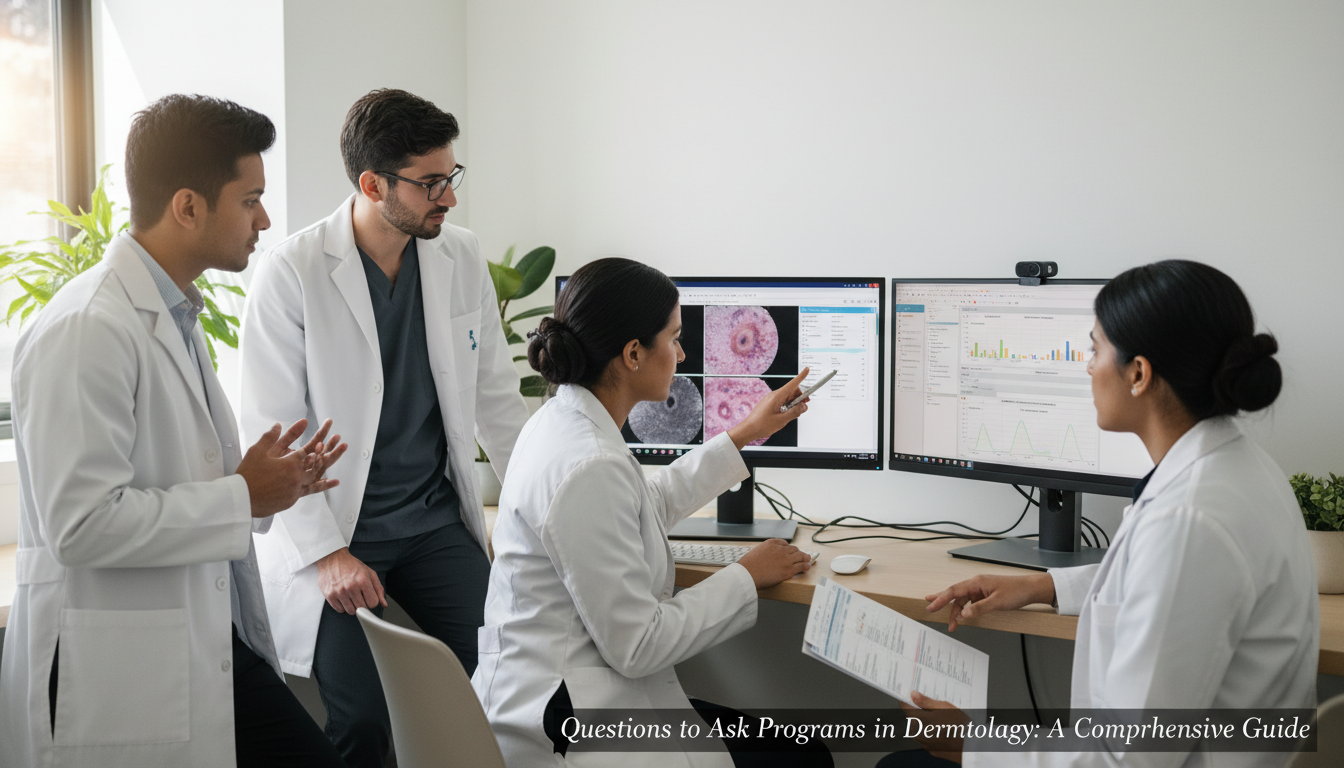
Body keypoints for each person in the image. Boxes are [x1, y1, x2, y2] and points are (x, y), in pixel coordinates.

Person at [0, 95, 348, 768]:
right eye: (250, 200)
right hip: (121, 672)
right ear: (188, 206)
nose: (265, 220)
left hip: (200, 646)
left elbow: (168, 483)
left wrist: (264, 486)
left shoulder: (171, 316)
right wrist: (240, 496)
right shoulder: (88, 328)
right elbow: (82, 525)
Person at [886, 260, 1318, 767]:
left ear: (1139, 373)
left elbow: (1126, 761)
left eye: (1094, 348)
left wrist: (972, 745)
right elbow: (1163, 589)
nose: (1086, 366)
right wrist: (1044, 586)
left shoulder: (1188, 520)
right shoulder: (1237, 467)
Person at [240, 88, 529, 766]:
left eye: (450, 178)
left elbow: (497, 402)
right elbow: (272, 428)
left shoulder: (459, 257)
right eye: (431, 183)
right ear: (373, 184)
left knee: (509, 676)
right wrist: (327, 555)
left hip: (431, 526)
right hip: (337, 534)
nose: (448, 199)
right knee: (364, 722)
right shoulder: (293, 273)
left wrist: (539, 508)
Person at [474, 257, 831, 768]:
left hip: (561, 689)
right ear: (634, 353)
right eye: (675, 337)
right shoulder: (587, 462)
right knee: (802, 757)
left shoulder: (562, 421)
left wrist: (745, 432)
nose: (683, 353)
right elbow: (639, 645)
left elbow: (643, 505)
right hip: (570, 721)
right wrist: (744, 577)